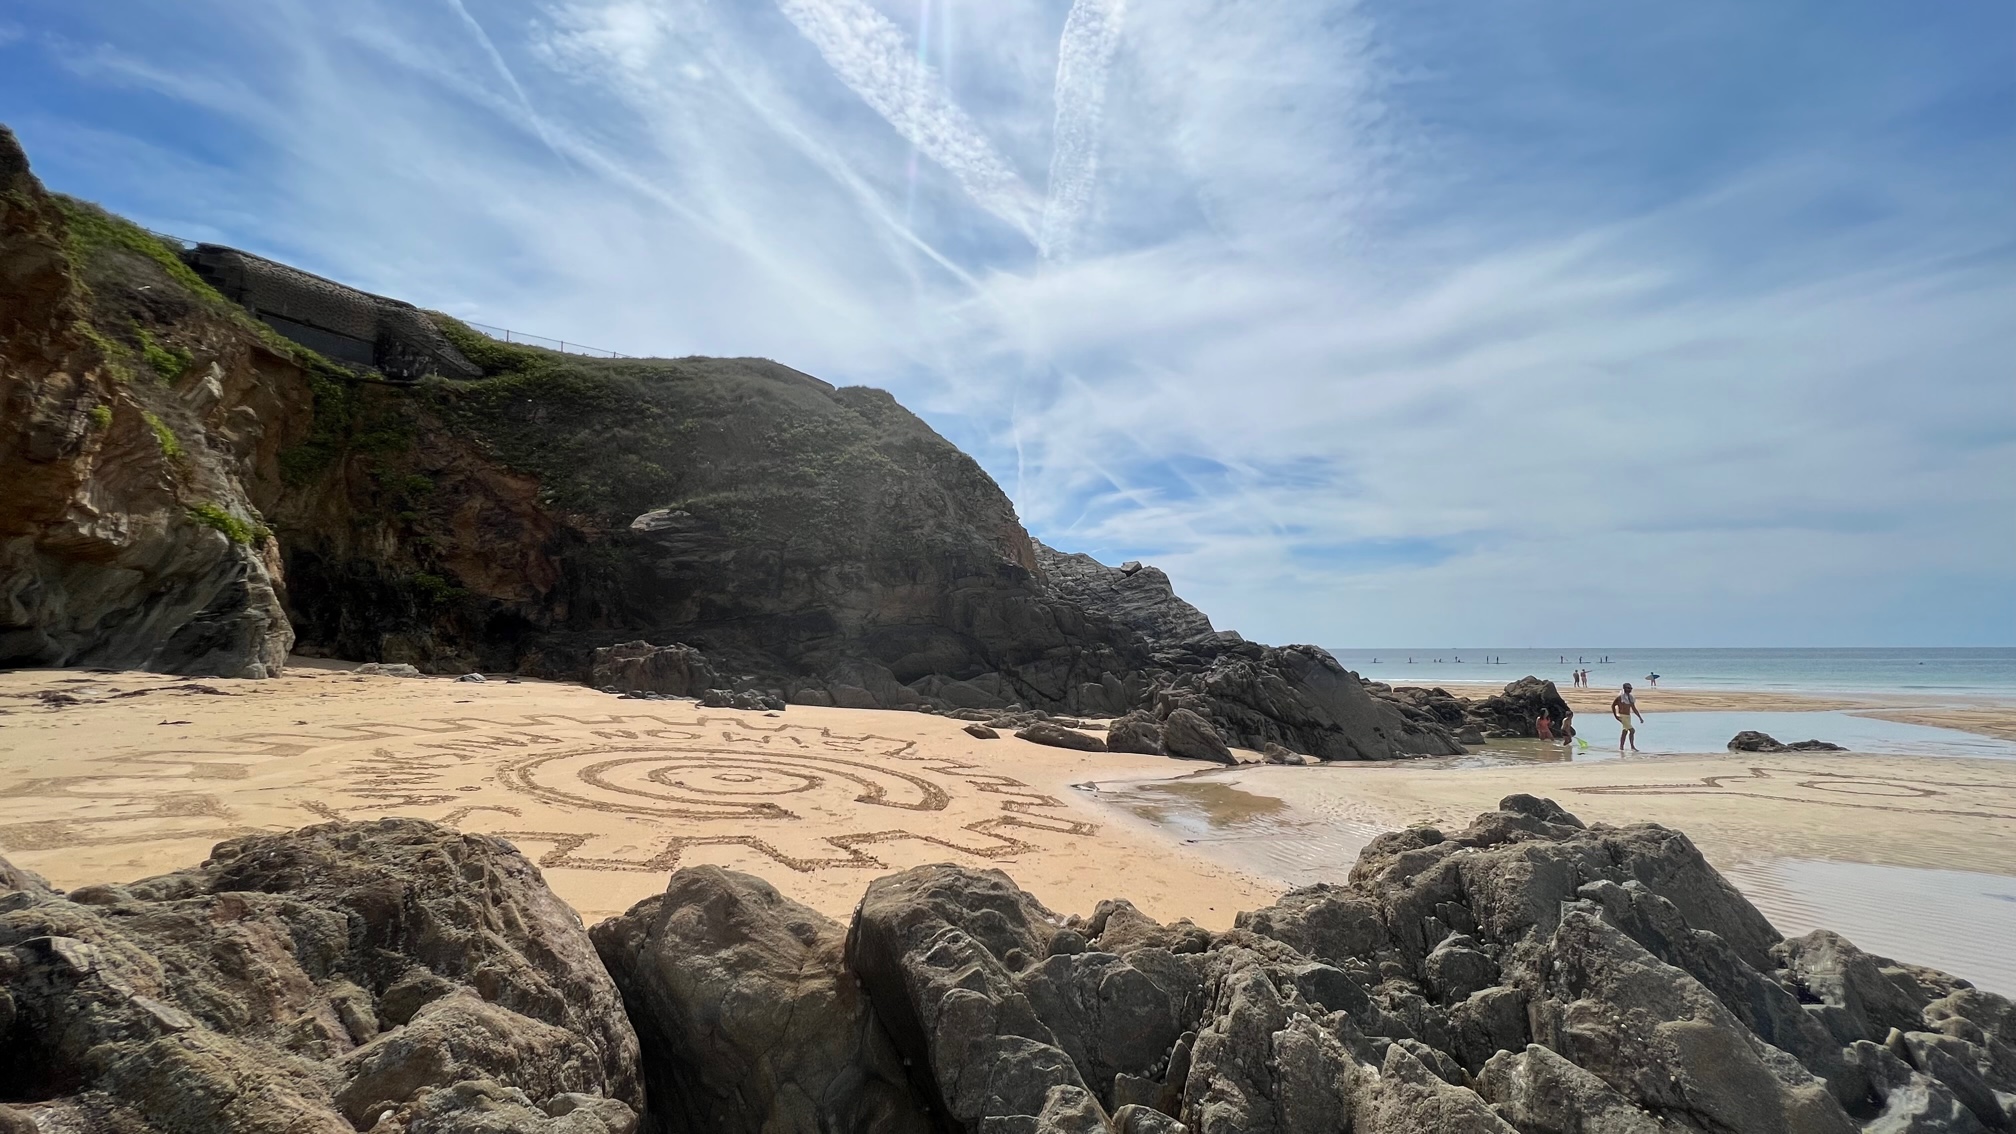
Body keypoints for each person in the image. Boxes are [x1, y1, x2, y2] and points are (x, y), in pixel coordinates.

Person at [1612, 683, 1644, 752]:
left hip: (1628, 716)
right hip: (1622, 716)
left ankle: (1621, 748)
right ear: (1624, 688)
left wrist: (1640, 717)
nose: (1630, 690)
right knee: (1632, 731)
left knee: (1625, 732)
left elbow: (1634, 708)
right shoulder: (1620, 697)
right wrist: (1616, 716)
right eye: (1628, 688)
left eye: (1630, 688)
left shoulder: (1630, 698)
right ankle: (1632, 747)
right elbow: (1613, 706)